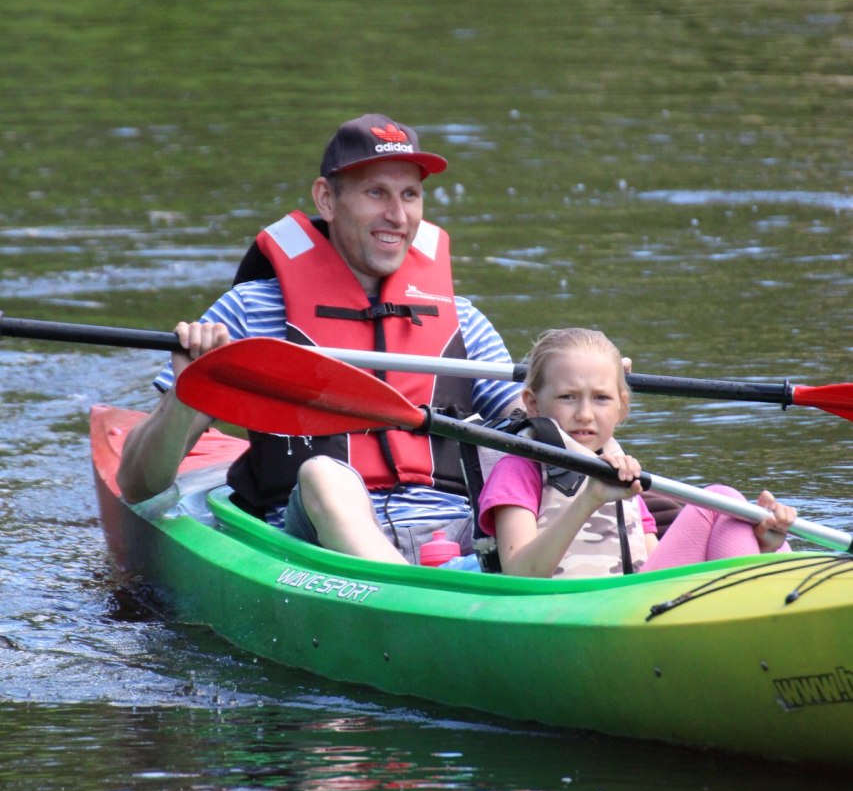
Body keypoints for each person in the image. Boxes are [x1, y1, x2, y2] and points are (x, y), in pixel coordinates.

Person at [117, 114, 521, 564]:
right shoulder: (248, 314)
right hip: (317, 544)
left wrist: (585, 398)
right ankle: (405, 590)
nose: (398, 215)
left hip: (458, 537)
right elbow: (138, 484)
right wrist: (188, 392)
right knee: (325, 476)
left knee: (533, 457)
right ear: (326, 199)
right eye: (376, 193)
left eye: (410, 194)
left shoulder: (462, 318)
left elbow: (535, 423)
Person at [476, 326, 797, 579]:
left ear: (622, 406)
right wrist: (590, 498)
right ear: (533, 403)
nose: (585, 414)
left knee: (734, 513)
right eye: (568, 397)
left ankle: (769, 566)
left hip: (633, 603)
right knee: (719, 499)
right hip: (569, 613)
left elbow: (652, 560)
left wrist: (764, 545)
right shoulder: (519, 469)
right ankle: (765, 605)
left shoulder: (620, 467)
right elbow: (520, 573)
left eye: (601, 398)